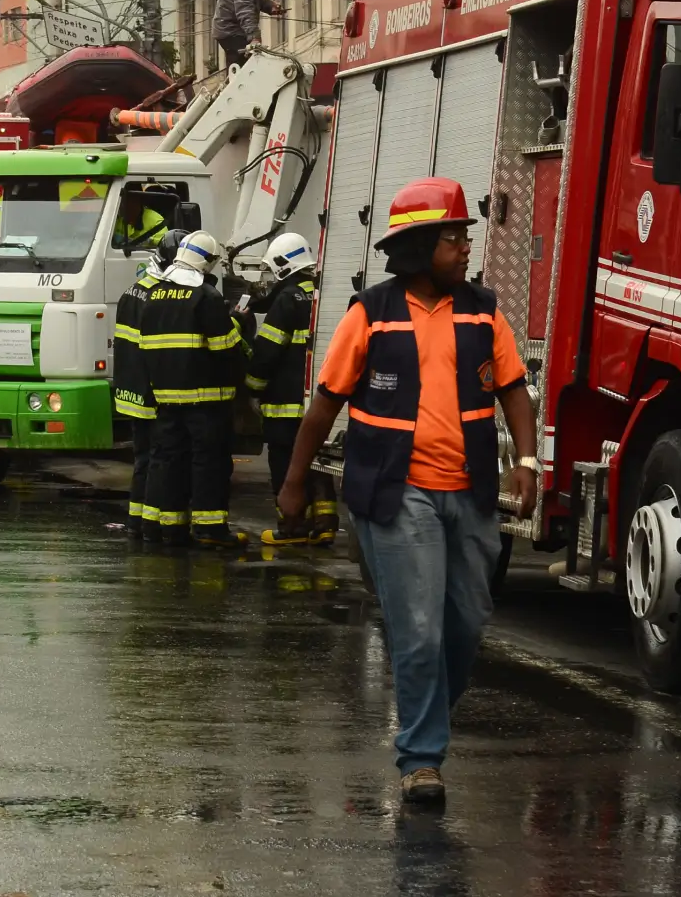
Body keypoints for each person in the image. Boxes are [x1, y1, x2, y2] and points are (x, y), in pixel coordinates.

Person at [277, 177, 538, 807]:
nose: (466, 249)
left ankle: (426, 719)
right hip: (398, 497)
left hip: (470, 495)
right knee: (417, 630)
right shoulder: (371, 312)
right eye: (454, 239)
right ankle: (422, 760)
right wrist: (293, 481)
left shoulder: (483, 309)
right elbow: (326, 402)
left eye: (466, 238)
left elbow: (514, 389)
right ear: (421, 246)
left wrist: (527, 461)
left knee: (467, 625)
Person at [140, 231, 245, 548]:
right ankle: (210, 530)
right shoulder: (206, 298)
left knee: (169, 462)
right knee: (208, 464)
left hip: (167, 401)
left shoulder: (155, 295)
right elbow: (225, 349)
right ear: (206, 262)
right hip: (206, 402)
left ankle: (169, 529)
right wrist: (238, 326)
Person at [244, 232, 337, 545]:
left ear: (283, 265)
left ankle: (292, 526)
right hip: (320, 403)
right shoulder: (322, 291)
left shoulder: (287, 299)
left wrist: (252, 386)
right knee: (317, 460)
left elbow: (268, 351)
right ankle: (324, 523)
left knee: (285, 463)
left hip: (285, 405)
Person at [112, 231, 179, 538]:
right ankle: (151, 524)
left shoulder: (133, 291)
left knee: (142, 459)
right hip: (154, 393)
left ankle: (137, 520)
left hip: (131, 392)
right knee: (159, 459)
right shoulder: (161, 296)